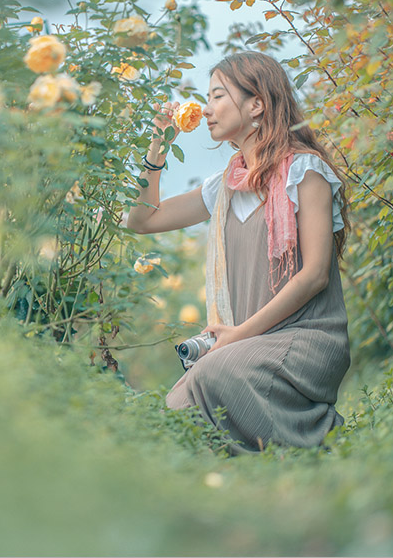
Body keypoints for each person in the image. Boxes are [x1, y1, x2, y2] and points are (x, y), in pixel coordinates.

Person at [126, 51, 351, 455]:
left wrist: (236, 337)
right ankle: (244, 464)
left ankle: (319, 441)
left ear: (257, 104)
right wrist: (158, 146)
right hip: (246, 346)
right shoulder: (225, 186)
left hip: (307, 339)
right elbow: (141, 220)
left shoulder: (306, 172)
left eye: (217, 96)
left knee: (213, 372)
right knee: (176, 405)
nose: (207, 110)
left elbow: (315, 274)